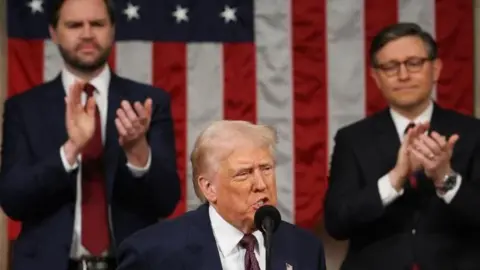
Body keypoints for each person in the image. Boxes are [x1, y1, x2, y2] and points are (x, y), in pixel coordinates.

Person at [0, 0, 180, 269]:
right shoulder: (23, 108)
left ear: (112, 29)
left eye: (97, 24)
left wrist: (137, 152)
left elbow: (166, 202)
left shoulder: (147, 103)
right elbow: (13, 201)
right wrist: (70, 150)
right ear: (53, 32)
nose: (86, 34)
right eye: (74, 25)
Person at [324, 22, 480, 270]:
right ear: (375, 77)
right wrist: (395, 179)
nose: (403, 75)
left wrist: (445, 177)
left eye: (414, 63)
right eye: (390, 67)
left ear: (436, 69)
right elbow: (337, 224)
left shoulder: (473, 133)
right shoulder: (352, 139)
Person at [115, 120, 326, 270]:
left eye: (266, 169)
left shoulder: (304, 248)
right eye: (244, 174)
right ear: (209, 188)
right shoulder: (152, 253)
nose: (261, 185)